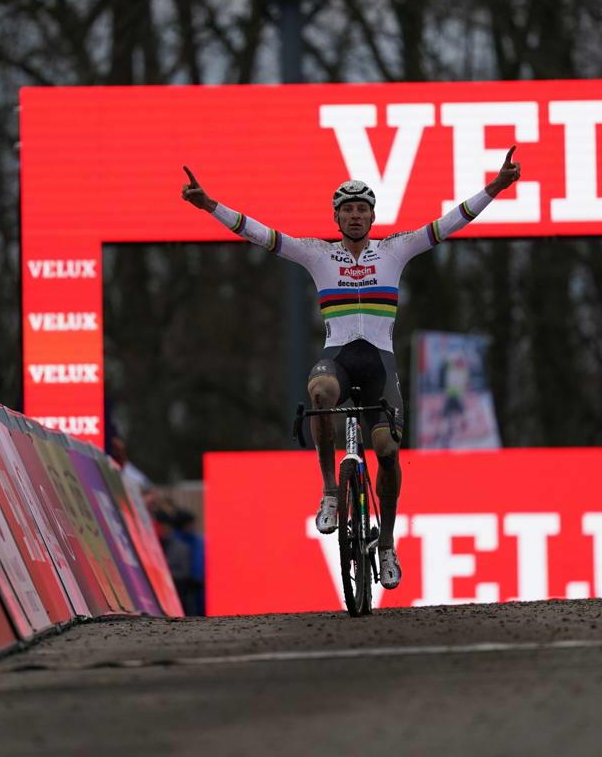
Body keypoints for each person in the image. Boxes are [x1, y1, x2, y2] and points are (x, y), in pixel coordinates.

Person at [180, 148, 523, 589]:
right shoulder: (317, 254)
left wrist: (495, 187)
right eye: (348, 210)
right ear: (337, 218)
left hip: (379, 364)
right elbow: (261, 235)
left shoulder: (395, 249)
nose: (356, 216)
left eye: (363, 209)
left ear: (372, 216)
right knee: (320, 392)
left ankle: (386, 547)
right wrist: (210, 206)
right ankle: (328, 492)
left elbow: (450, 222)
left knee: (388, 452)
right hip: (340, 358)